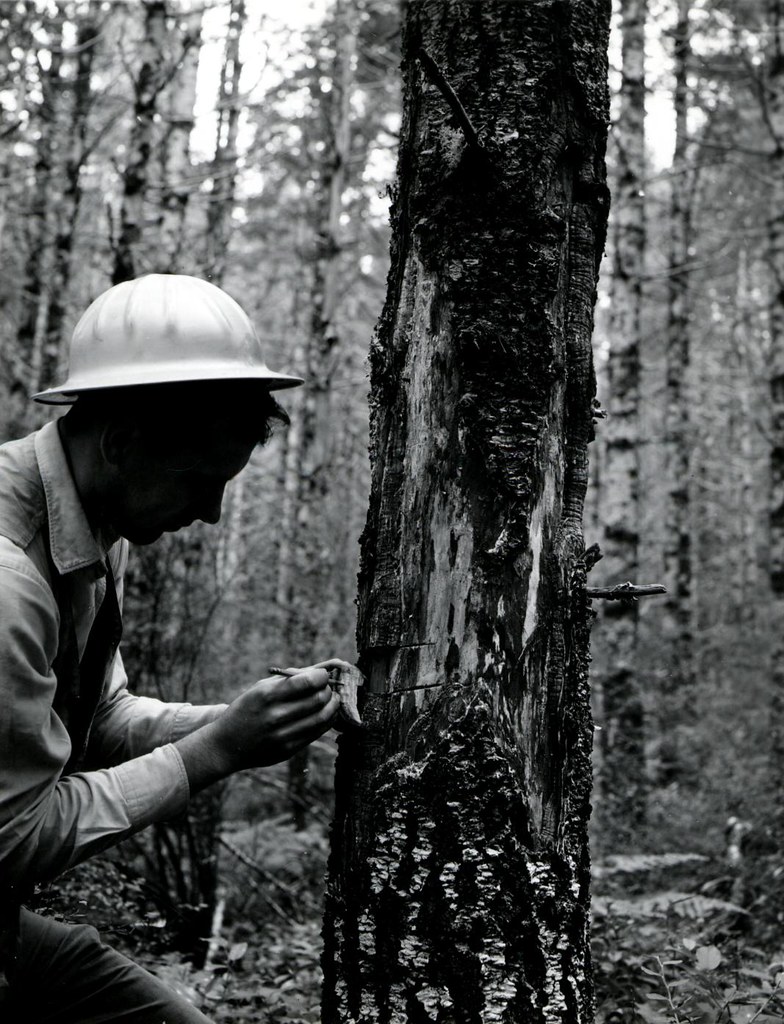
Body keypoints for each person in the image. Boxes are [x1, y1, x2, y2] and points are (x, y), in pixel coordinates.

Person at [0, 274, 349, 1022]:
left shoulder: (92, 524)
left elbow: (103, 715)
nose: (214, 514)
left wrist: (244, 720)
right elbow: (14, 839)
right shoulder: (8, 579)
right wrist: (210, 754)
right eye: (199, 479)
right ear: (122, 443)